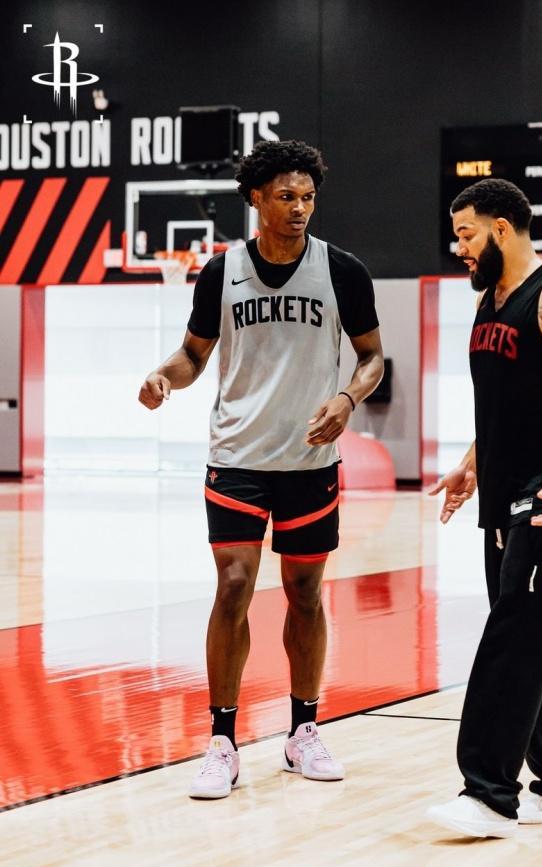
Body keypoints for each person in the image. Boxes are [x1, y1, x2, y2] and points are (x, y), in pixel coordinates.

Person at [138, 140, 384, 799]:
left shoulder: (343, 271)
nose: (299, 207)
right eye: (286, 196)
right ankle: (222, 741)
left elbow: (371, 359)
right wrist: (165, 376)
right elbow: (193, 355)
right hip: (237, 457)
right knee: (234, 585)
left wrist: (346, 399)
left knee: (305, 593)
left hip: (310, 460)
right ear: (255, 198)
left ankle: (304, 731)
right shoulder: (223, 272)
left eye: (308, 197)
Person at [426, 178, 542, 837]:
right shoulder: (489, 301)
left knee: (515, 635)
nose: (459, 248)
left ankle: (489, 793)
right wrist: (471, 465)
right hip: (505, 497)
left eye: (467, 234)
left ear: (501, 227)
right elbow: (506, 401)